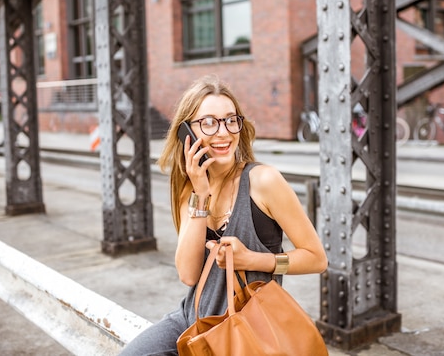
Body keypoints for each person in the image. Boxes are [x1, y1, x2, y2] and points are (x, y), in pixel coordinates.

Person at [120, 74, 328, 355]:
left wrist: (253, 259)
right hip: (193, 319)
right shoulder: (190, 192)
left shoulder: (264, 181)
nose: (223, 132)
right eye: (208, 122)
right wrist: (201, 195)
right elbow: (188, 274)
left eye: (231, 120)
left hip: (250, 324)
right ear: (187, 133)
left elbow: (316, 258)